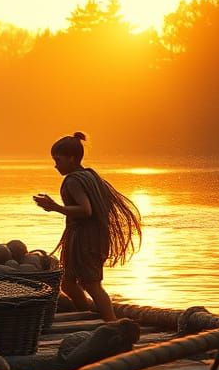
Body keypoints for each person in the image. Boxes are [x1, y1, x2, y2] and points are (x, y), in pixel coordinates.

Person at [33, 131, 141, 322]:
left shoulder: (73, 180)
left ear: (72, 158)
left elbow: (86, 210)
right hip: (90, 237)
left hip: (87, 240)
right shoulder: (90, 175)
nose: (55, 165)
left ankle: (113, 324)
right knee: (67, 283)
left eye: (58, 160)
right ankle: (88, 316)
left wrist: (55, 207)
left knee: (92, 285)